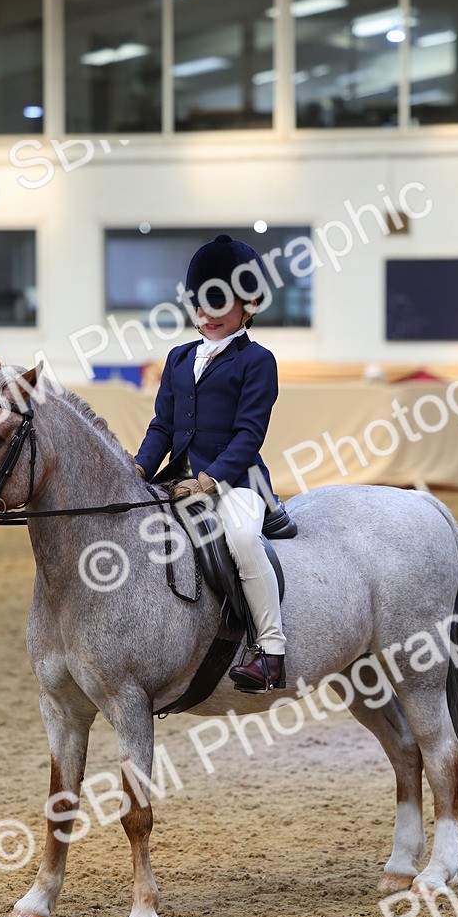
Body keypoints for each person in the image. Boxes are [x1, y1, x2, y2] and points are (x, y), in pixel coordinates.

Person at [134, 234, 287, 692]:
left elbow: (248, 435)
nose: (205, 314)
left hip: (237, 482)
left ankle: (271, 652)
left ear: (250, 303)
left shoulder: (258, 361)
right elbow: (162, 425)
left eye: (216, 303)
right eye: (198, 303)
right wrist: (139, 469)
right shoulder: (179, 358)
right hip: (174, 479)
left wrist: (209, 480)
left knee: (241, 538)